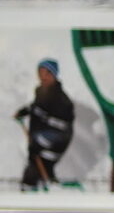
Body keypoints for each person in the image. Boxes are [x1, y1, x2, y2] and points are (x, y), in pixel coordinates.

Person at [16, 57, 73, 190]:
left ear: (54, 75)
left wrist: (43, 119)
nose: (43, 77)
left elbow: (63, 124)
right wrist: (24, 111)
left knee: (35, 169)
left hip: (55, 142)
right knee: (42, 169)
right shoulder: (41, 91)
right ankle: (47, 185)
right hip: (39, 140)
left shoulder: (60, 98)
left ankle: (31, 191)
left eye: (47, 73)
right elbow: (35, 107)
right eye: (40, 73)